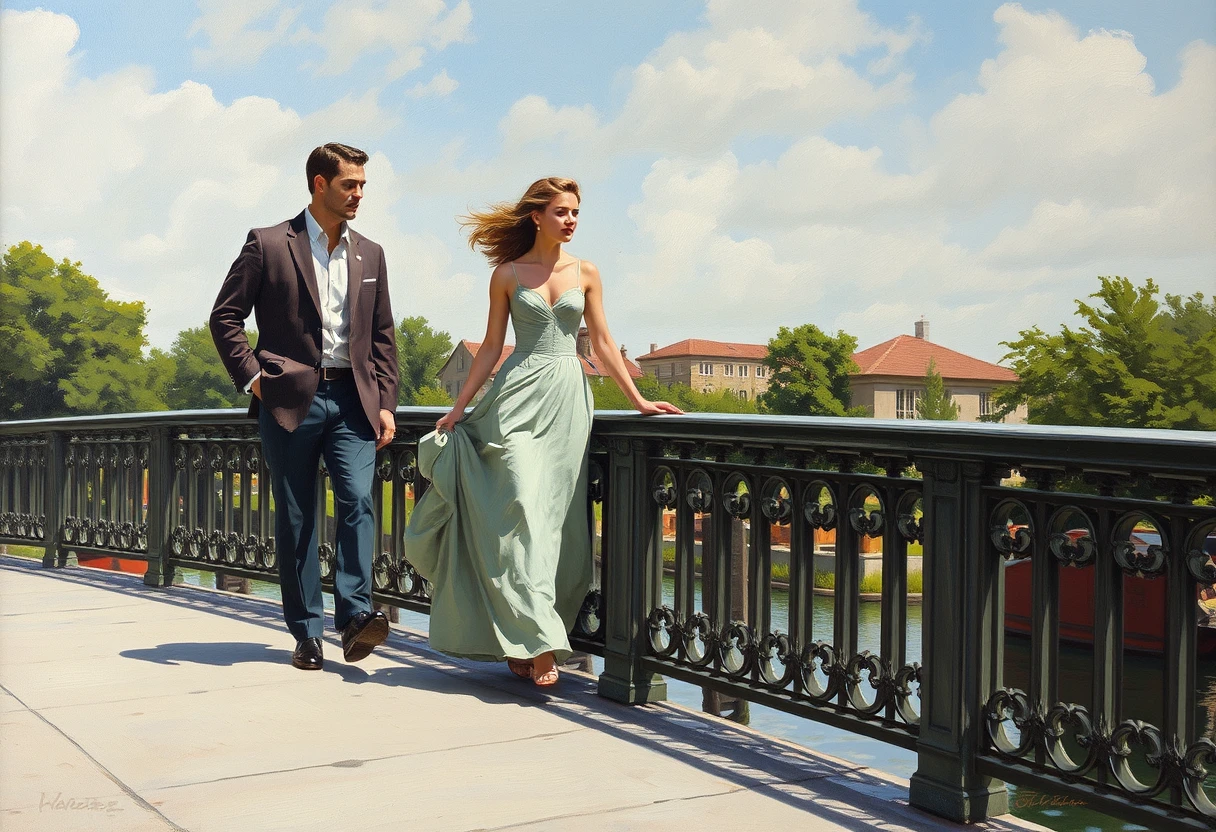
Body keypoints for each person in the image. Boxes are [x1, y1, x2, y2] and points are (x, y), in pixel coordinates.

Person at [404, 177, 681, 686]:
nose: (571, 220)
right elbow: (490, 348)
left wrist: (639, 401)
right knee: (520, 510)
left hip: (568, 400)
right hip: (514, 399)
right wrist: (457, 409)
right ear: (537, 216)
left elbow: (601, 342)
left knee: (555, 519)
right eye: (561, 212)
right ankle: (538, 643)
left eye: (576, 212)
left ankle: (521, 641)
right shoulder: (507, 274)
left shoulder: (587, 272)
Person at [210, 143, 399, 671]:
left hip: (354, 401)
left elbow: (382, 336)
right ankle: (307, 632)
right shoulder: (269, 244)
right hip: (289, 400)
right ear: (319, 184)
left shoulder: (372, 253)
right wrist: (254, 380)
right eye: (350, 185)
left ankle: (356, 617)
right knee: (296, 518)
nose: (359, 194)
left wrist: (386, 401)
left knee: (359, 501)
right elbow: (224, 318)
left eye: (363, 185)